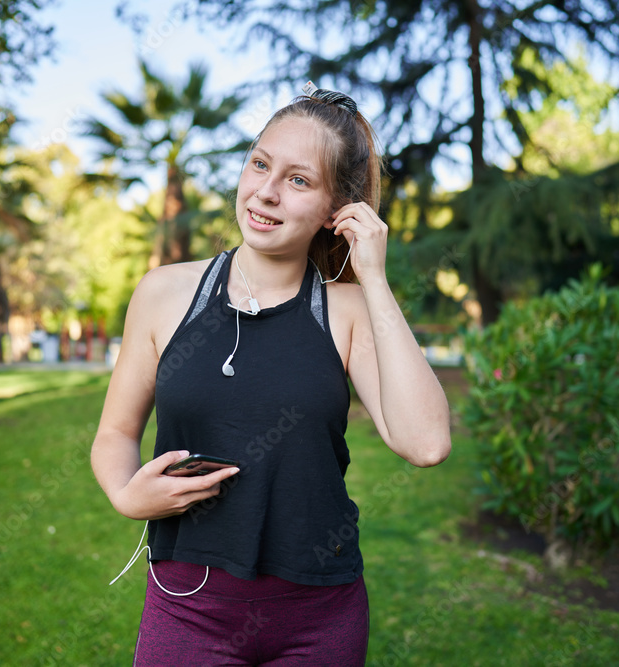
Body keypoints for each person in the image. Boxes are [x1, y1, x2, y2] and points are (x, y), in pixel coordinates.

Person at [91, 82, 452, 666]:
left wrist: (375, 280)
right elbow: (114, 434)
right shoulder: (162, 294)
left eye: (299, 180)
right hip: (188, 607)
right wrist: (126, 495)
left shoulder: (350, 309)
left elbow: (428, 442)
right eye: (260, 163)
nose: (266, 191)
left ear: (339, 212)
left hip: (319, 618)